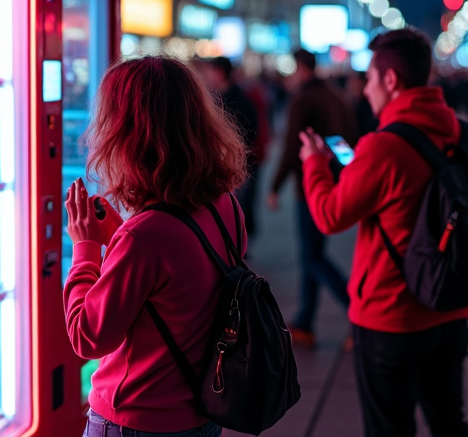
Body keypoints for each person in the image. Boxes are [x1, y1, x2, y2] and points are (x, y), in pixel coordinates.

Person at [300, 28, 468, 437]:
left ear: (390, 80)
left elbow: (331, 215)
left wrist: (314, 164)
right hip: (452, 305)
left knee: (389, 429)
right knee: (449, 423)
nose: (365, 90)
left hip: (390, 316)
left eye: (369, 79)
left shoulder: (382, 147)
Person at [64, 56, 249, 437]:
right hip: (203, 408)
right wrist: (118, 237)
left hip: (136, 418)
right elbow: (176, 291)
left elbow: (87, 336)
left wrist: (84, 248)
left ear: (124, 132)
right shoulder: (224, 205)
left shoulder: (145, 237)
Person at [267, 48, 357, 348]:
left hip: (310, 185)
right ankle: (305, 319)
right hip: (334, 183)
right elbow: (347, 143)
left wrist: (275, 186)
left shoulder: (303, 100)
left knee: (313, 256)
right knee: (312, 253)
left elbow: (293, 146)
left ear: (300, 68)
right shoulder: (336, 96)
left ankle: (357, 312)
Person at [198, 56, 261, 236]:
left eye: (209, 72)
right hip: (232, 167)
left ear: (220, 72)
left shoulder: (234, 102)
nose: (206, 77)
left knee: (232, 212)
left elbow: (247, 136)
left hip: (233, 168)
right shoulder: (225, 98)